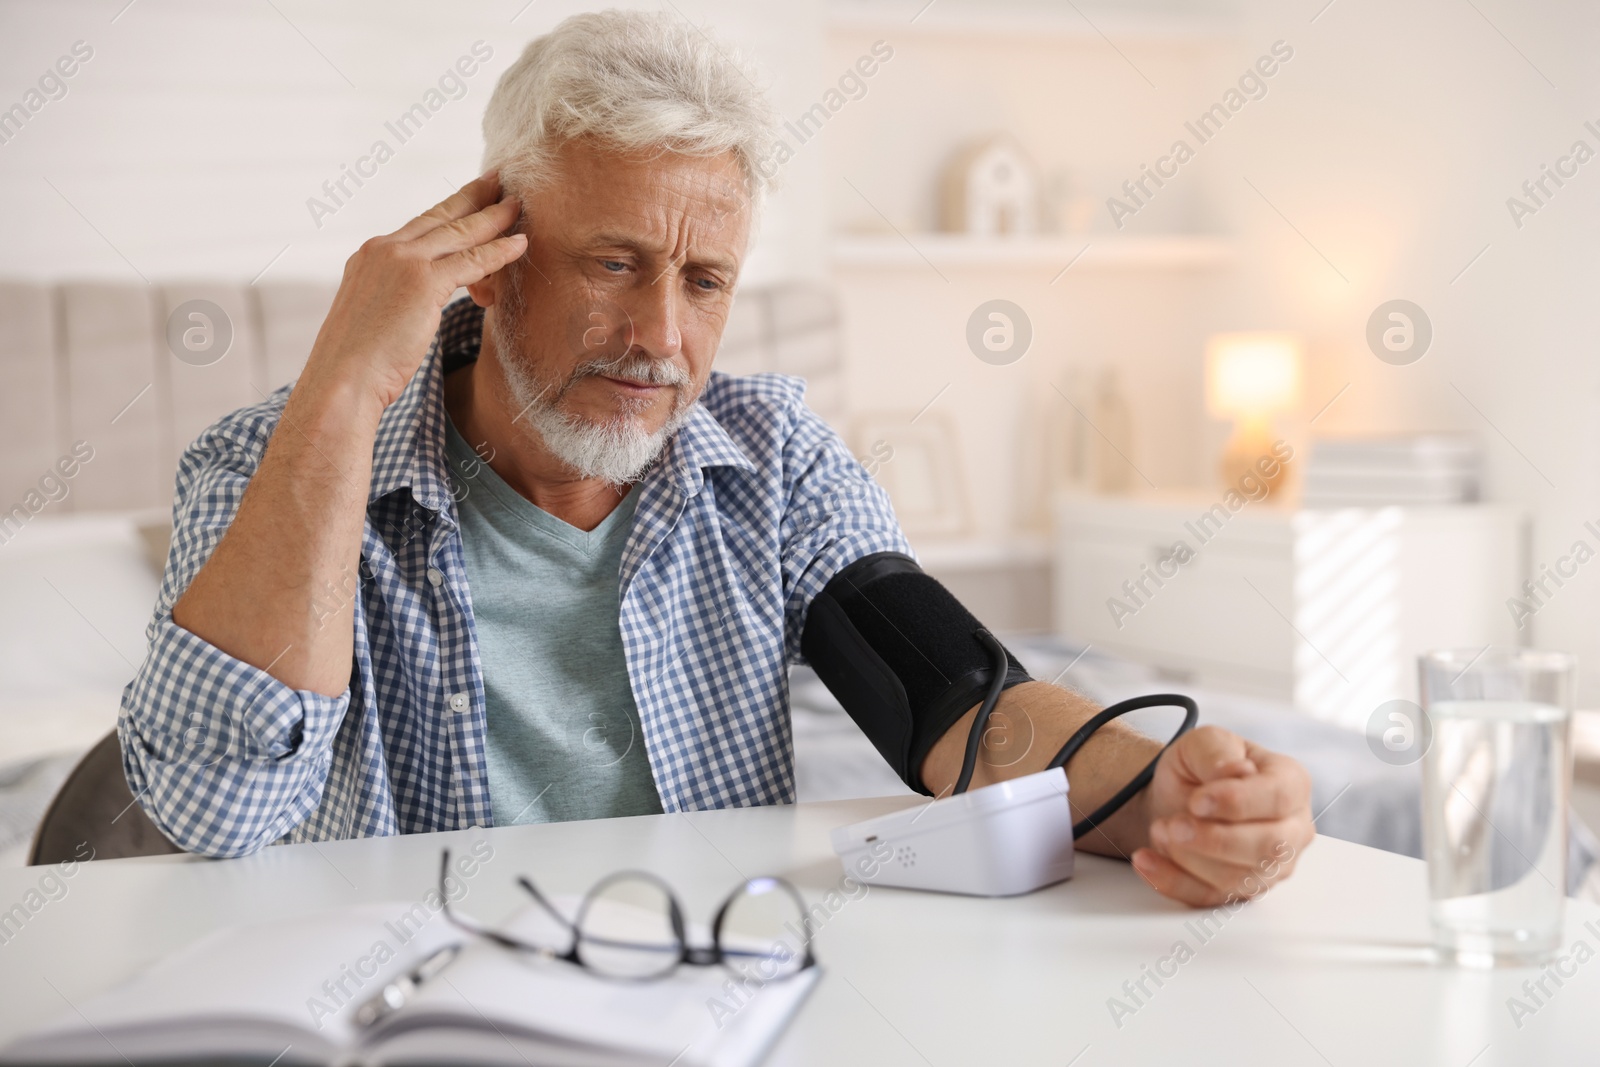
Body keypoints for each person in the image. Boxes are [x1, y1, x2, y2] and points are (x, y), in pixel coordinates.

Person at [119, 9, 1313, 907]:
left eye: (703, 281)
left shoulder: (769, 454)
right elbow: (216, 806)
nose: (662, 341)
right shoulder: (262, 462)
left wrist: (1165, 792)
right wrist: (341, 391)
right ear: (491, 254)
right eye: (611, 262)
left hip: (707, 992)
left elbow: (953, 695)